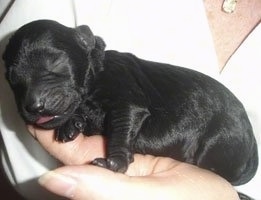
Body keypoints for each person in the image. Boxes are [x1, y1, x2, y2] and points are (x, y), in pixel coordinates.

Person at [0, 0, 260, 199]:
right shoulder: (81, 89)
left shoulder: (112, 70)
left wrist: (118, 154)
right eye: (17, 80)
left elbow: (132, 109)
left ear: (84, 42)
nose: (33, 99)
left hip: (218, 132)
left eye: (55, 64)